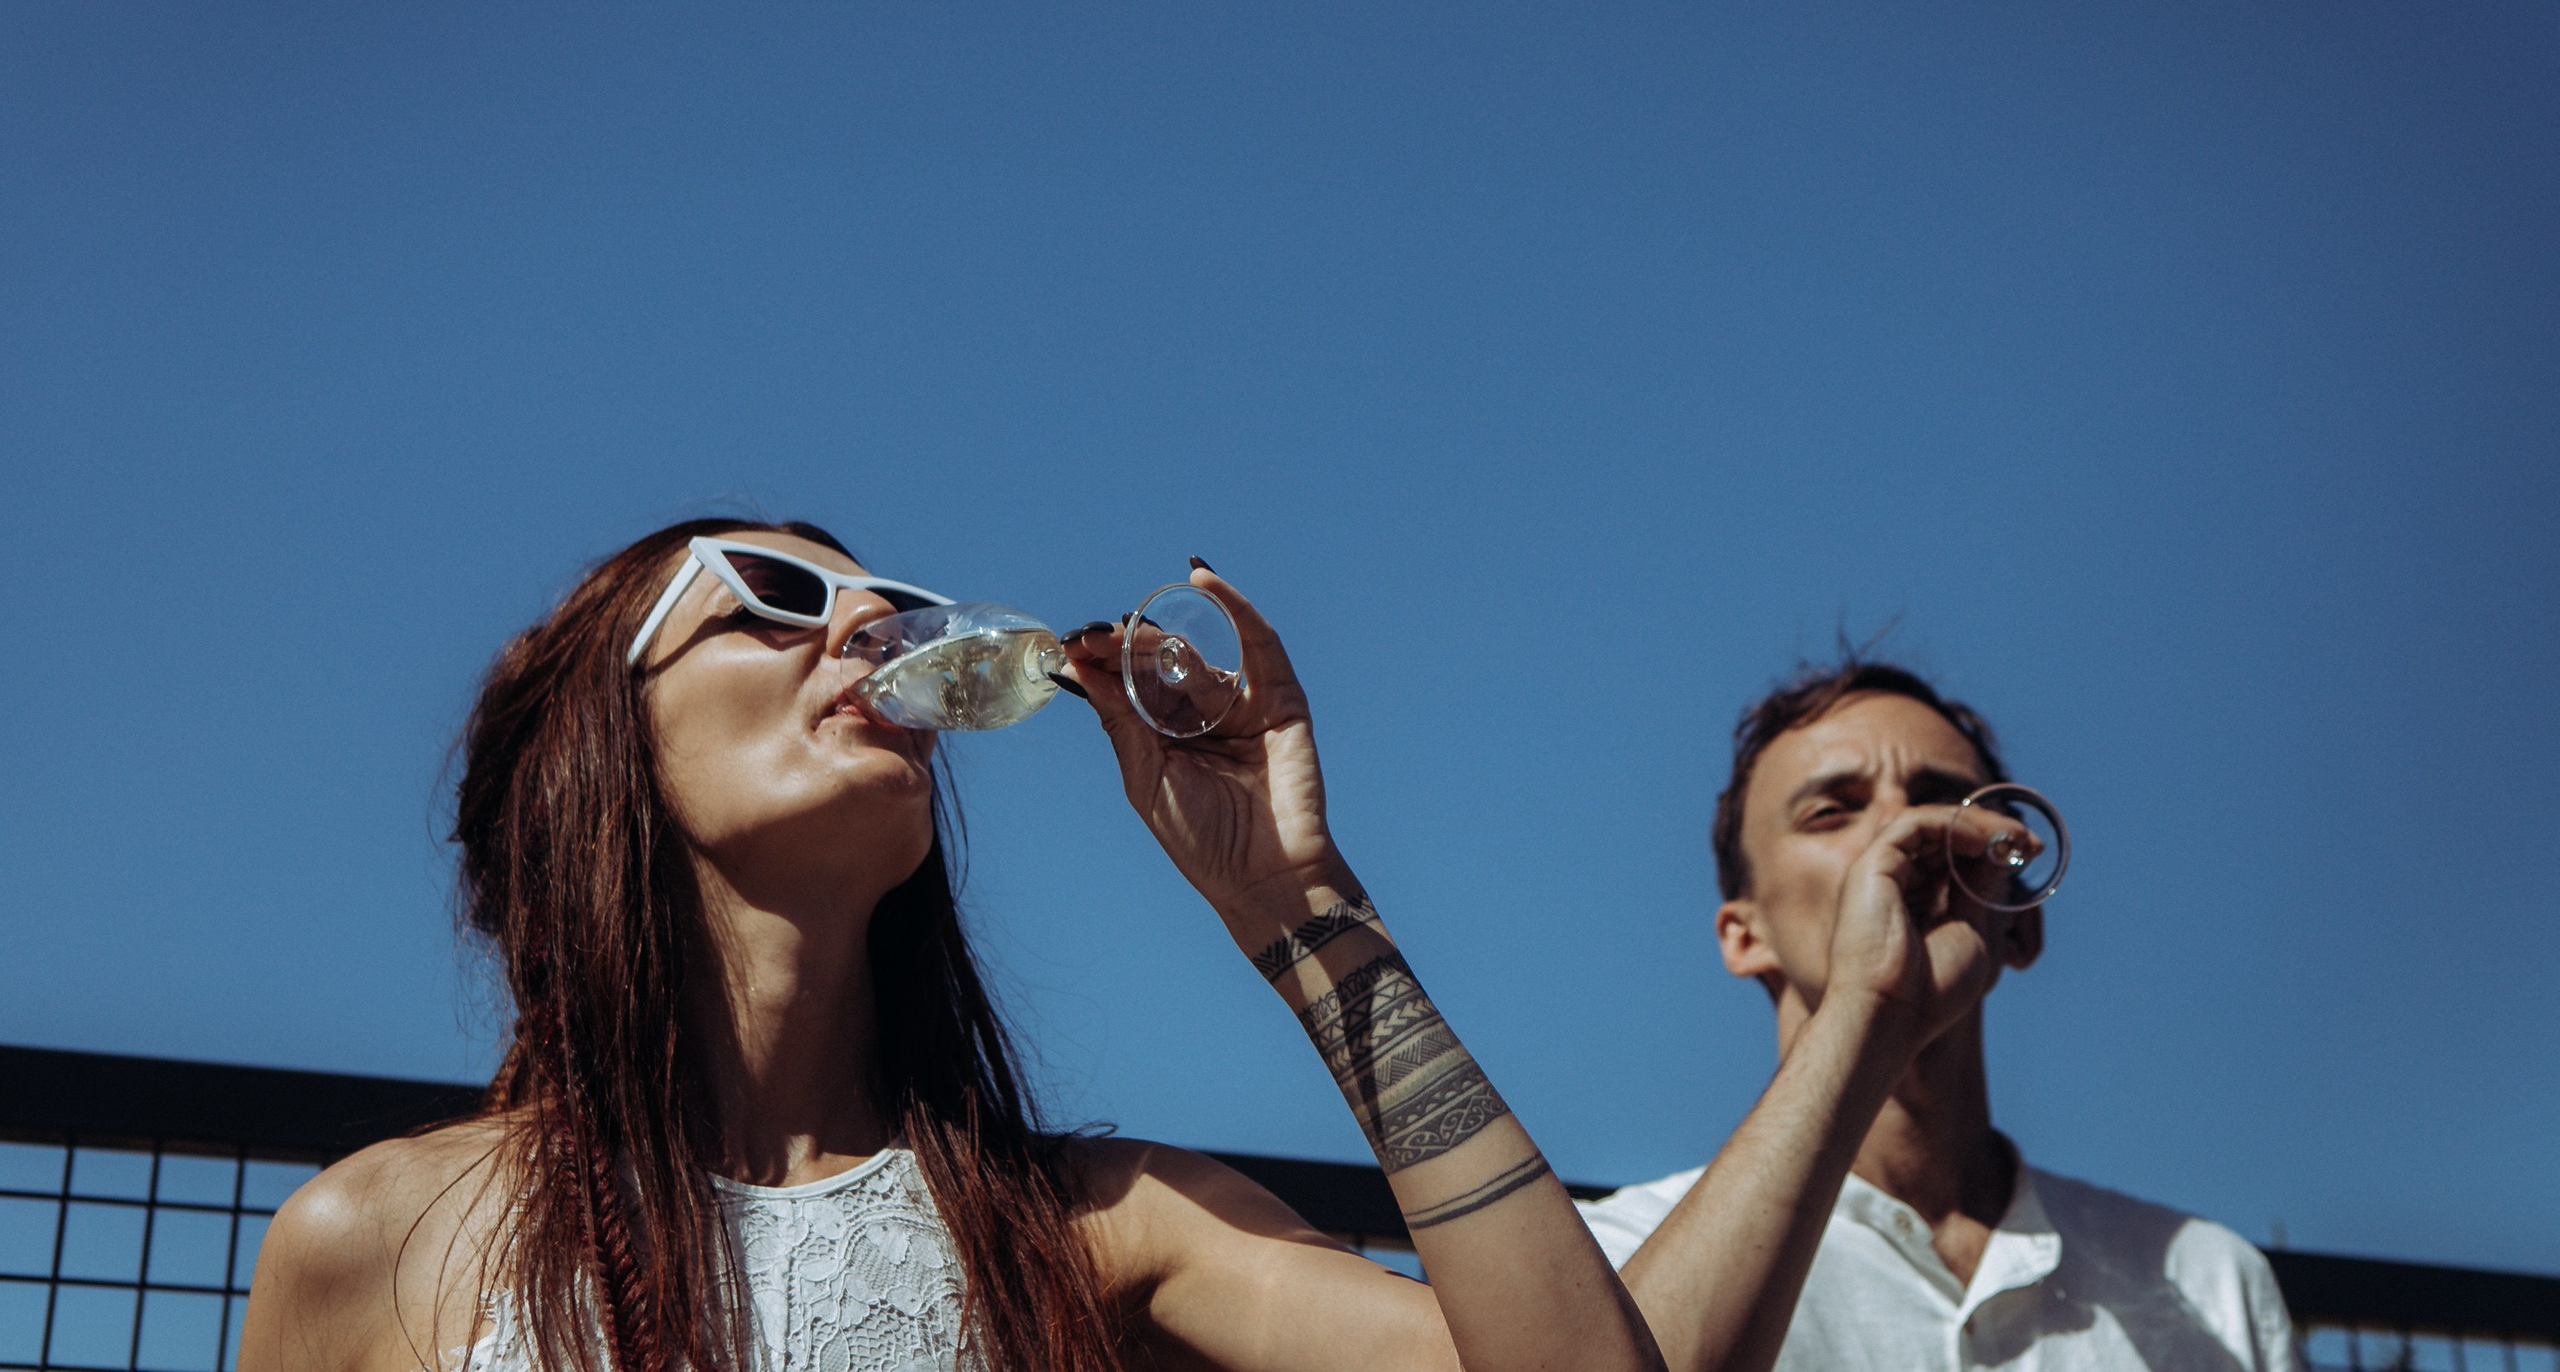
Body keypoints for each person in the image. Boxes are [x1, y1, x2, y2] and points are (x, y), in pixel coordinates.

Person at [240, 521, 2008, 1372]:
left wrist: (1298, 907)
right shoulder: (373, 1240)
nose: (869, 618)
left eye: (889, 605)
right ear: (597, 752)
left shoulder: (1101, 1226)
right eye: (769, 596)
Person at [1578, 661, 2299, 1372]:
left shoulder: (2215, 1285)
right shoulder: (1615, 1255)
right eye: (1831, 810)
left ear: (2021, 926)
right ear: (1745, 935)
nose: (1906, 827)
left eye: (1950, 802)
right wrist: (1869, 1009)